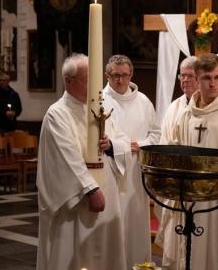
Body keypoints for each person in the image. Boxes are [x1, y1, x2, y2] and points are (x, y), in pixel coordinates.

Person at [36, 53, 130, 270]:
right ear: (68, 81)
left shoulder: (99, 108)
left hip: (108, 194)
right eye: (88, 79)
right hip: (77, 203)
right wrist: (91, 189)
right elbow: (67, 158)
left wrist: (112, 144)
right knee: (75, 256)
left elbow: (122, 139)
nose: (95, 86)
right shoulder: (57, 114)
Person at [160, 53, 218, 270]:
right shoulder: (185, 115)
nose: (213, 84)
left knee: (216, 252)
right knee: (189, 250)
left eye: (217, 78)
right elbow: (174, 149)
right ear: (197, 80)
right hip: (189, 195)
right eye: (207, 78)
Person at [102, 54, 160, 267]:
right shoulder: (99, 100)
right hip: (110, 170)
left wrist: (141, 144)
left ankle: (138, 264)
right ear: (107, 75)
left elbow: (156, 134)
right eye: (115, 75)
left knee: (135, 222)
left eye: (124, 75)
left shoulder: (143, 101)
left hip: (136, 172)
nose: (120, 80)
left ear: (131, 75)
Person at [155, 55, 198, 266]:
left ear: (199, 78)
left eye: (190, 75)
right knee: (175, 238)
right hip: (175, 180)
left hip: (197, 183)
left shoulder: (207, 106)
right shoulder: (173, 107)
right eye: (182, 75)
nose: (185, 80)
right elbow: (164, 141)